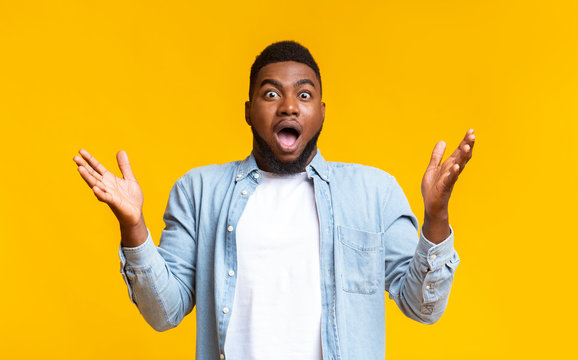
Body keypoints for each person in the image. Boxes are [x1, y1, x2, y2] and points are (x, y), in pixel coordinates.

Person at [73, 41, 475, 360]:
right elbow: (165, 312)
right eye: (271, 94)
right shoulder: (198, 191)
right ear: (249, 111)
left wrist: (436, 217)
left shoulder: (374, 192)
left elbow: (423, 306)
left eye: (304, 95)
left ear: (321, 112)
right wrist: (133, 227)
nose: (288, 106)